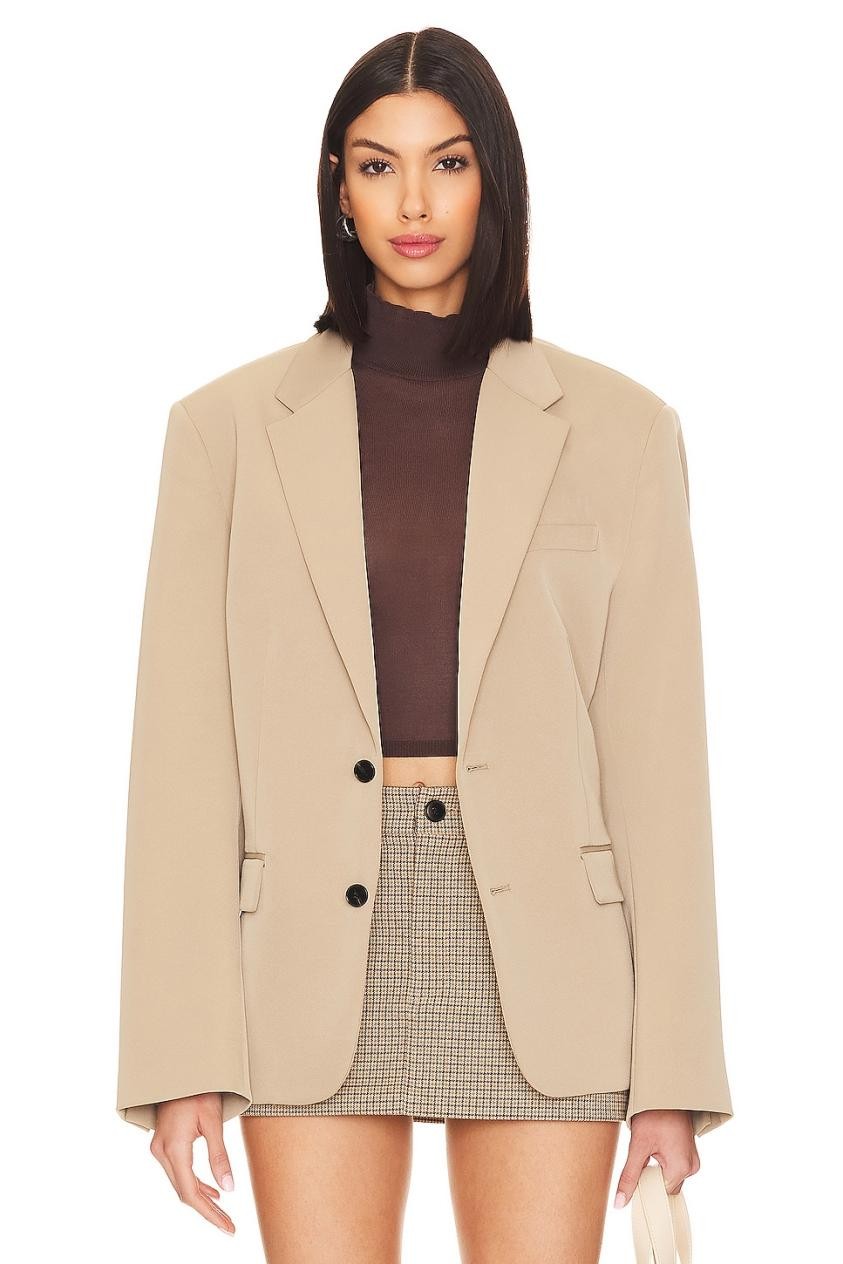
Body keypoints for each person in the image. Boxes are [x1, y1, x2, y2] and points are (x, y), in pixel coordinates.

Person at [116, 26, 733, 1263]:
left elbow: (659, 764)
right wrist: (179, 1051)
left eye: (447, 163)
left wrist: (673, 1068)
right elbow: (183, 760)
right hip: (307, 946)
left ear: (493, 180)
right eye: (376, 165)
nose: (412, 202)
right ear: (337, 190)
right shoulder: (222, 432)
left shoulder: (621, 429)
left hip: (549, 946)